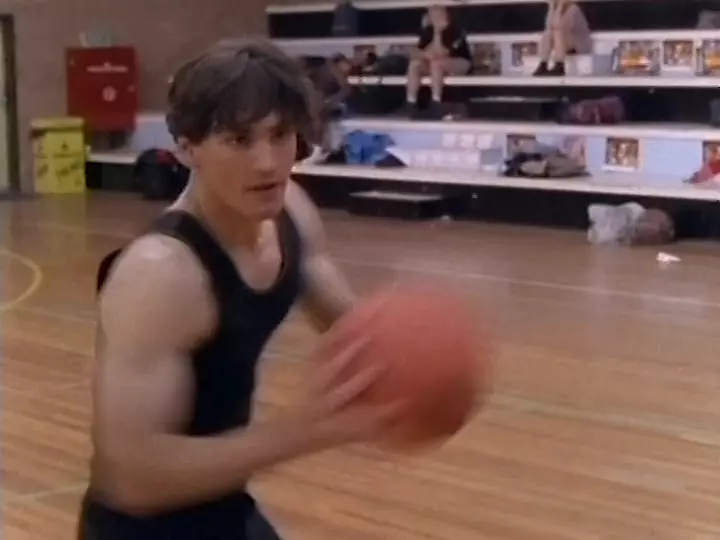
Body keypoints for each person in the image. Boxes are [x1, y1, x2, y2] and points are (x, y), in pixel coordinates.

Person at [78, 38, 403, 540]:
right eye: (238, 140)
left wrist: (415, 354)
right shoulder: (161, 274)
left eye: (280, 134)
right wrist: (308, 428)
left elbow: (351, 327)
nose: (268, 162)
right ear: (187, 147)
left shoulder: (290, 212)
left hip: (224, 508)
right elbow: (135, 478)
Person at [405, 5, 471, 119]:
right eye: (431, 15)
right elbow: (415, 52)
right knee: (415, 64)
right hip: (434, 63)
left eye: (436, 15)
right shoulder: (427, 30)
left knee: (436, 63)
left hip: (460, 62)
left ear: (445, 15)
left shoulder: (455, 30)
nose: (433, 18)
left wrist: (437, 32)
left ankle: (436, 102)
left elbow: (441, 53)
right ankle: (411, 103)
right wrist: (424, 54)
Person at [533, 0, 592, 76]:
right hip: (564, 41)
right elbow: (549, 25)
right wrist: (554, 8)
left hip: (578, 44)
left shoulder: (574, 9)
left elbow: (559, 25)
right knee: (547, 33)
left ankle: (559, 64)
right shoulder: (553, 8)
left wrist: (560, 8)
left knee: (557, 32)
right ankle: (543, 63)